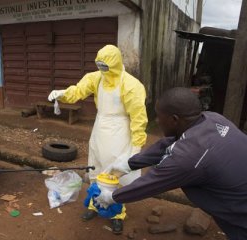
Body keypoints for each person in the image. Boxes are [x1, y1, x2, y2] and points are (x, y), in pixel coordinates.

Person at [97, 87, 247, 239]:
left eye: (159, 116)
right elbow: (168, 144)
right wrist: (129, 164)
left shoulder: (188, 158)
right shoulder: (213, 119)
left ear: (174, 119)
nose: (156, 120)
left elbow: (151, 183)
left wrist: (112, 197)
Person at [48, 45, 148, 234]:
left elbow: (138, 117)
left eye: (105, 66)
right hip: (100, 128)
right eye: (99, 66)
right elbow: (78, 91)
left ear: (116, 64)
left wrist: (137, 144)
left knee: (115, 175)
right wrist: (62, 94)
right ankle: (95, 205)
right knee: (96, 168)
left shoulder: (132, 85)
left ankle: (117, 213)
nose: (102, 70)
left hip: (120, 132)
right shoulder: (96, 78)